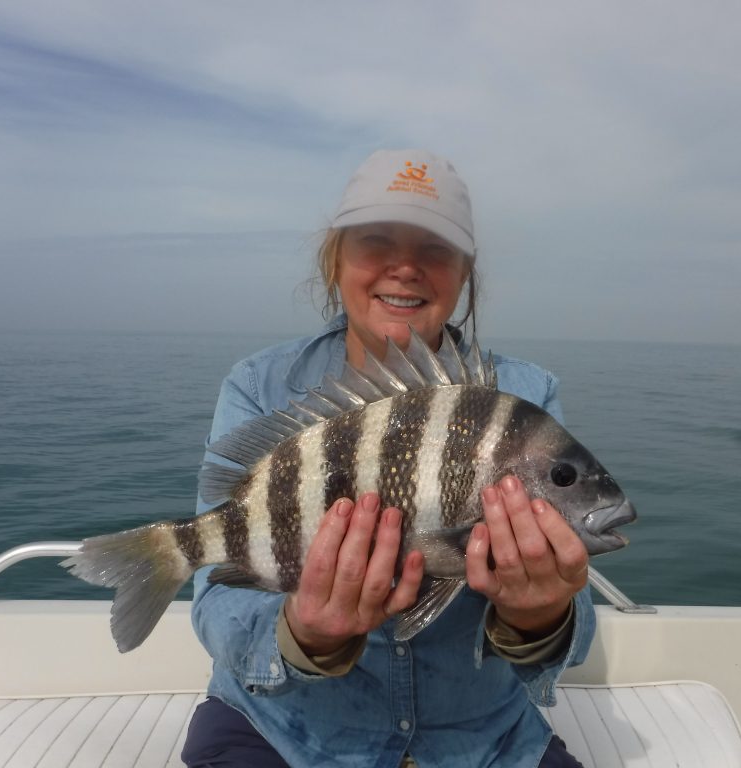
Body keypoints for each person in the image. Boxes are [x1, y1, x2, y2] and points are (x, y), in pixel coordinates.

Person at [181, 149, 595, 768]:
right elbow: (217, 601)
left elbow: (577, 624)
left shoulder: (525, 399)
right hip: (285, 731)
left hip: (481, 744)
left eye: (436, 249)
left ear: (464, 273)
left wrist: (540, 615)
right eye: (377, 241)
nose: (405, 268)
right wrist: (304, 635)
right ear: (336, 259)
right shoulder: (259, 388)